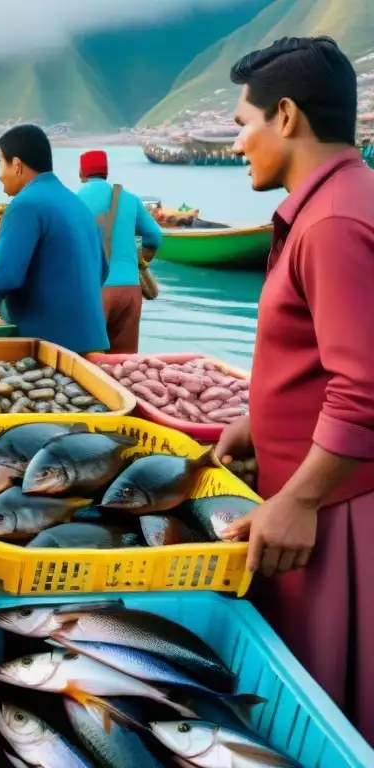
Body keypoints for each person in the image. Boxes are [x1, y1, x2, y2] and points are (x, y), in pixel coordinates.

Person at [215, 36, 374, 743]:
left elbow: (366, 388)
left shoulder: (335, 219)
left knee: (327, 702)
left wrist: (302, 497)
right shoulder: (333, 200)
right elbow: (321, 353)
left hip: (337, 512)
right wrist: (261, 418)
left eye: (243, 125)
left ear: (285, 117)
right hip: (311, 492)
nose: (237, 144)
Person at [0, 125, 109, 355]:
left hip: (50, 346)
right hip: (92, 340)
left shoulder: (25, 205)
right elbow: (102, 270)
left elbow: (4, 274)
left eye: (0, 163)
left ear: (17, 166)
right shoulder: (77, 204)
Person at [76, 150, 163, 353]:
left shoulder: (74, 200)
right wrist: (142, 261)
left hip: (94, 291)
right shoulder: (130, 199)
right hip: (130, 290)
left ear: (82, 172)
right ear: (105, 172)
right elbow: (154, 237)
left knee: (87, 361)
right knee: (125, 365)